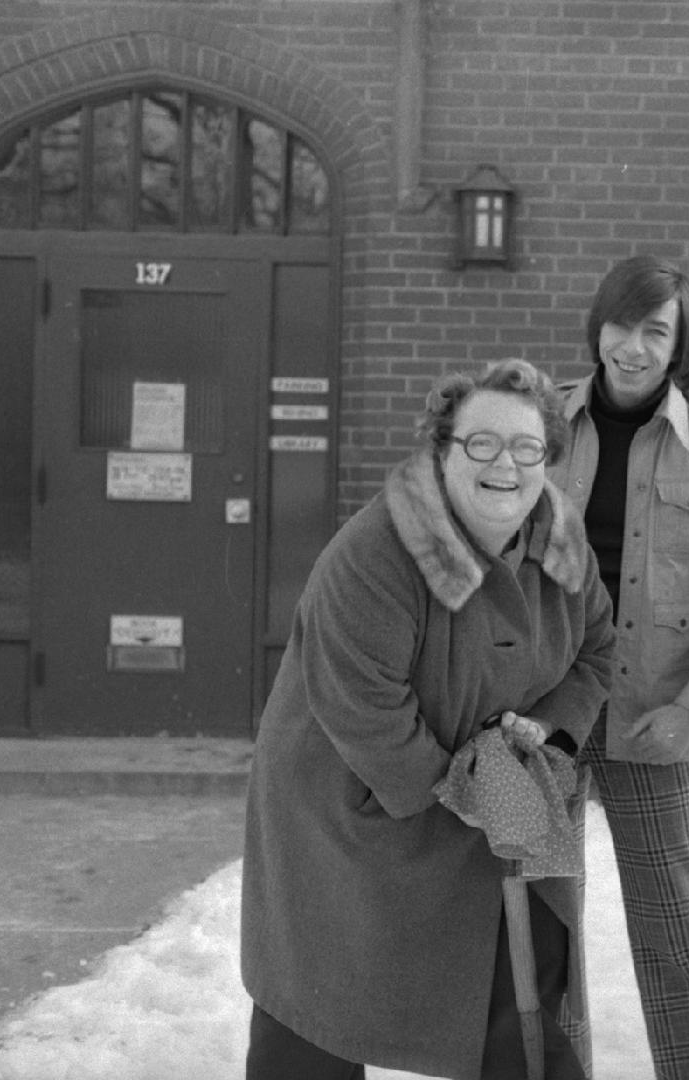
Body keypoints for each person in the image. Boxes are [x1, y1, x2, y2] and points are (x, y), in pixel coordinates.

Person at [240, 360, 616, 1080]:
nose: (505, 464)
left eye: (527, 447)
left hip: (503, 793)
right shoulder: (376, 554)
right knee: (323, 1009)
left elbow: (598, 650)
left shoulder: (562, 542)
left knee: (528, 998)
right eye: (481, 443)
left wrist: (548, 725)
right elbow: (364, 705)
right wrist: (472, 788)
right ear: (442, 450)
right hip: (355, 807)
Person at [546, 254, 689, 1080]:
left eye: (656, 331)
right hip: (542, 717)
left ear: (680, 347)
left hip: (654, 719)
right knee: (541, 921)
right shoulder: (539, 425)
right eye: (621, 324)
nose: (632, 346)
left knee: (674, 928)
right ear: (597, 326)